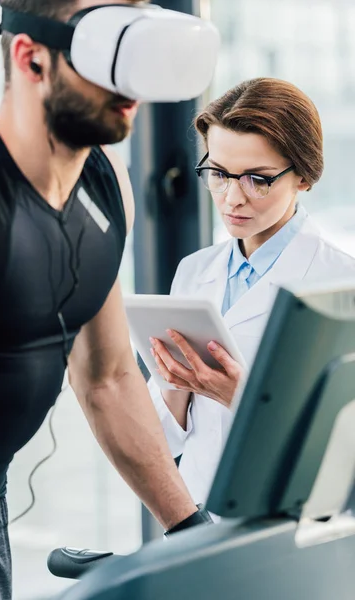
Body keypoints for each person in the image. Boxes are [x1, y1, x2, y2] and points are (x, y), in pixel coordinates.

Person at [0, 0, 217, 597]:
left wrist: (190, 529)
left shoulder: (106, 182)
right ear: (31, 57)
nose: (129, 84)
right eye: (105, 50)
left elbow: (107, 378)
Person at [149, 77, 355, 514]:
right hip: (195, 517)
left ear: (303, 176)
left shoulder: (341, 282)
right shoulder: (194, 272)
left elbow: (342, 452)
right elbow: (161, 440)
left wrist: (241, 397)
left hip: (289, 524)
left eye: (258, 180)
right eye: (218, 174)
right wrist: (174, 386)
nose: (232, 198)